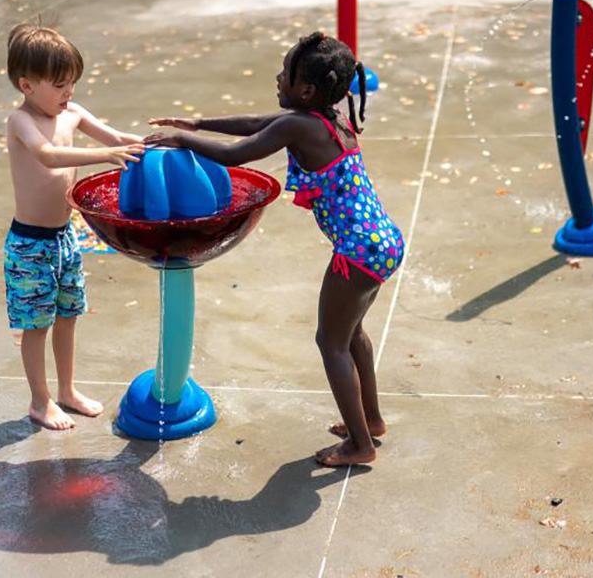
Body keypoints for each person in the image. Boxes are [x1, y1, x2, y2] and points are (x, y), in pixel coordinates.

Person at [147, 32, 403, 467]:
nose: (278, 77)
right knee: (352, 334)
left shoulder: (298, 125)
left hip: (356, 253)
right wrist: (199, 123)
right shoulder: (326, 117)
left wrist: (183, 141)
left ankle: (360, 446)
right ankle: (371, 422)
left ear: (305, 90)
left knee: (331, 342)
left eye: (285, 73)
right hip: (382, 241)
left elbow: (237, 154)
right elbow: (255, 124)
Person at [4, 23, 145, 430]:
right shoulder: (20, 121)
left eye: (73, 84)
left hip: (64, 239)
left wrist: (150, 145)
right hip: (30, 245)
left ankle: (66, 390)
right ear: (28, 85)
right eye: (61, 85)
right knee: (37, 325)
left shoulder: (72, 113)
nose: (69, 94)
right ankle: (39, 400)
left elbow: (116, 137)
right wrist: (107, 154)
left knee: (68, 316)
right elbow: (47, 156)